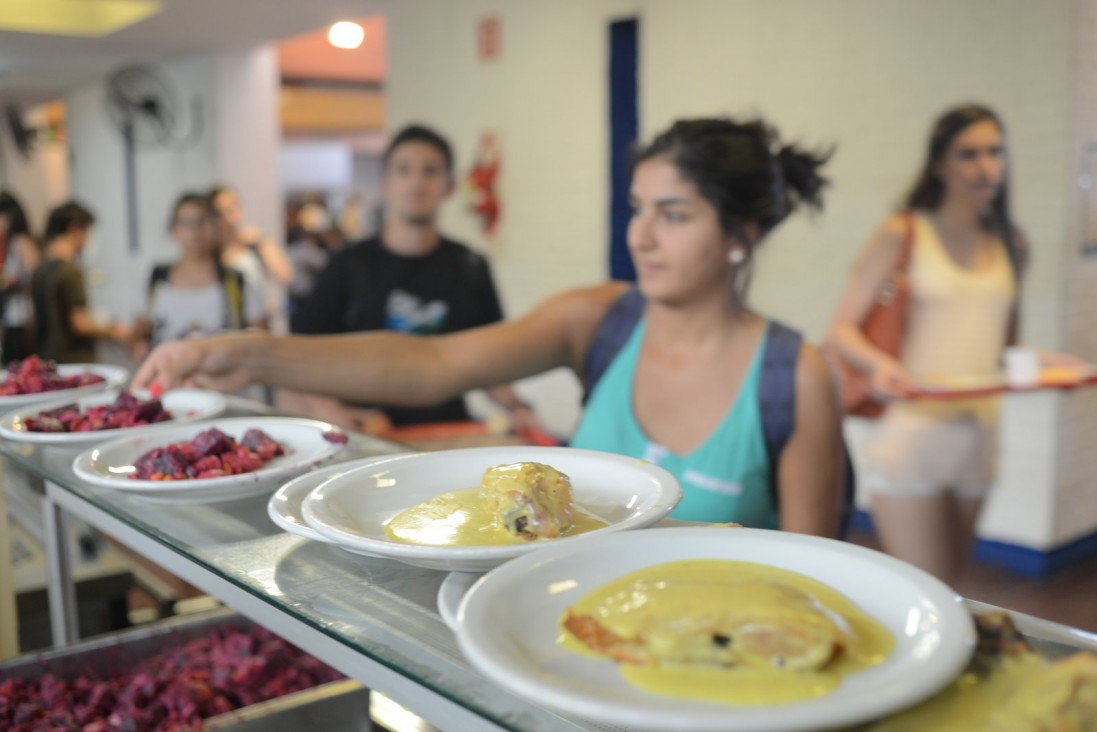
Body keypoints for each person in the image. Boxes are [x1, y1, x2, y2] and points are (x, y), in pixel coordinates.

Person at [135, 116, 845, 536]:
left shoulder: (792, 378)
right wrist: (249, 354)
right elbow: (430, 363)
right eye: (638, 208)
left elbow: (814, 578)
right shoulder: (598, 319)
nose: (641, 236)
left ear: (740, 236)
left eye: (674, 214)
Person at [826, 104, 1075, 582]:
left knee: (953, 581)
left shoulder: (1011, 243)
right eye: (969, 154)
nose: (986, 167)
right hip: (912, 434)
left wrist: (1049, 365)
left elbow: (999, 344)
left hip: (979, 436)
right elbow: (841, 330)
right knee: (932, 587)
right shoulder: (903, 232)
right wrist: (881, 365)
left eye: (995, 153)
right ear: (939, 163)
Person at [284, 124, 538, 434]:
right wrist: (327, 410)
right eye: (404, 170)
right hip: (366, 434)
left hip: (447, 434)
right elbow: (298, 358)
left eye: (430, 171)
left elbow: (490, 363)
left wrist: (517, 408)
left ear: (449, 186)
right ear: (386, 183)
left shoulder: (470, 266)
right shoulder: (348, 265)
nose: (416, 182)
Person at [133, 193, 265, 360]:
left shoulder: (238, 282)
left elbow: (260, 342)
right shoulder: (154, 278)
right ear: (174, 229)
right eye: (185, 223)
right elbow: (139, 333)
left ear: (215, 226)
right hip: (169, 383)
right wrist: (139, 345)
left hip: (223, 383)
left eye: (202, 221)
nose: (193, 231)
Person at [31, 202, 131, 363]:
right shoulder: (70, 272)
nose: (88, 240)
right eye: (87, 232)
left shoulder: (39, 270)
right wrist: (116, 332)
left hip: (48, 359)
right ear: (74, 229)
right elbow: (80, 323)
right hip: (74, 362)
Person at [208, 185, 293, 333]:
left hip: (258, 324)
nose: (230, 217)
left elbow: (285, 276)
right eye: (222, 211)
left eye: (233, 208)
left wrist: (263, 241)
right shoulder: (210, 252)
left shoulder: (254, 243)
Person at [0, 191, 39, 363]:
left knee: (18, 367)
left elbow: (35, 276)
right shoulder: (10, 242)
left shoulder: (21, 241)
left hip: (22, 317)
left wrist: (10, 280)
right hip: (13, 315)